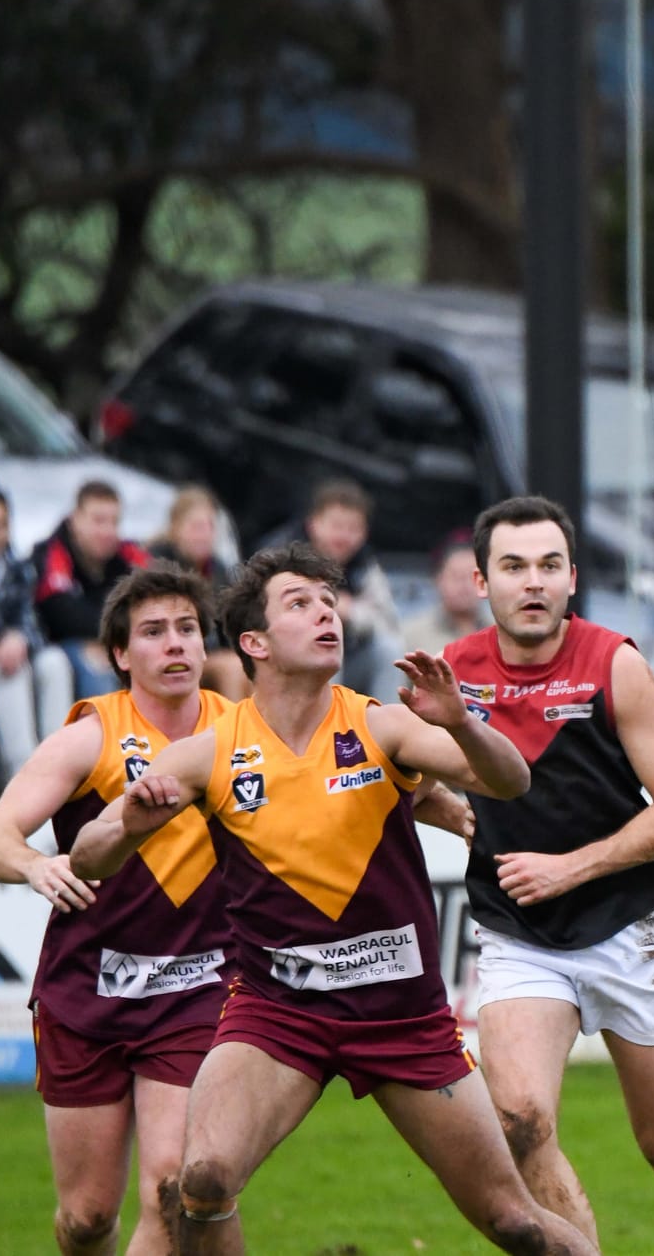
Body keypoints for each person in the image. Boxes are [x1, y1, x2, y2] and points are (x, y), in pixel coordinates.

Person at [66, 544, 594, 1256]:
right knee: (202, 1181)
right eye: (300, 602)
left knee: (514, 1222)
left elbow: (510, 780)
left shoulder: (379, 725)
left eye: (328, 599)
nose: (326, 612)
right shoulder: (211, 750)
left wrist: (462, 721)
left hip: (401, 1016)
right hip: (277, 1015)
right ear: (254, 642)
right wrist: (129, 818)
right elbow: (89, 856)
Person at [443, 497, 654, 1254]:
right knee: (518, 1120)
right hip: (519, 937)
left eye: (548, 566)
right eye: (513, 566)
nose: (531, 582)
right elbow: (391, 769)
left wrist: (570, 867)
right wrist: (441, 809)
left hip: (625, 931)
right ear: (482, 580)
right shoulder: (454, 673)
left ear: (572, 577)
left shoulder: (617, 663)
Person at [0, 565, 230, 1254]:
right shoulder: (88, 737)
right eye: (154, 632)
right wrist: (36, 864)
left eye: (187, 627)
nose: (176, 644)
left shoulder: (240, 731)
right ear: (122, 655)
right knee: (87, 1216)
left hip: (198, 990)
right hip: (85, 996)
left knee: (172, 1188)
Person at [33, 480, 150, 701]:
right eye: (98, 521)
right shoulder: (52, 552)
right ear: (75, 520)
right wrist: (119, 631)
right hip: (58, 647)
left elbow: (159, 595)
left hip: (116, 642)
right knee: (96, 664)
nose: (107, 531)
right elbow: (62, 614)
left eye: (114, 522)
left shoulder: (127, 553)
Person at [290, 480, 404, 697]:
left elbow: (388, 623)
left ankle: (386, 725)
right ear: (313, 524)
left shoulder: (365, 566)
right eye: (336, 526)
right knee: (326, 642)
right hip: (294, 664)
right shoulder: (288, 559)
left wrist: (352, 612)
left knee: (388, 648)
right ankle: (327, 725)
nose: (344, 536)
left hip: (350, 659)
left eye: (353, 528)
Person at [0, 482, 65, 786]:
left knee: (54, 661)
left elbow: (33, 625)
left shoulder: (16, 571)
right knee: (7, 671)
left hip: (9, 658)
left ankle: (60, 762)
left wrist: (18, 637)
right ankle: (24, 777)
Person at [147, 486, 246, 699]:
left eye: (210, 527)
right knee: (232, 668)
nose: (205, 535)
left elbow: (231, 624)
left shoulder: (217, 569)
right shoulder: (158, 566)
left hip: (207, 654)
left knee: (255, 664)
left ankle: (263, 731)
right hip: (171, 657)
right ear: (176, 528)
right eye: (197, 527)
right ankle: (235, 732)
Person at [404, 531, 490, 657]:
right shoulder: (410, 636)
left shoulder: (503, 631)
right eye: (456, 577)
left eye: (473, 577)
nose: (465, 586)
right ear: (438, 579)